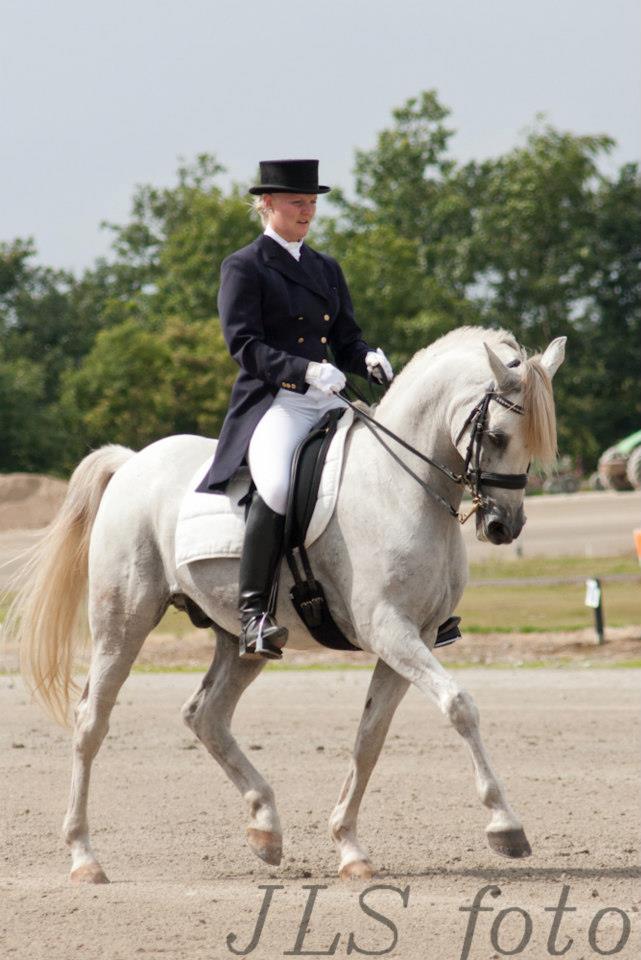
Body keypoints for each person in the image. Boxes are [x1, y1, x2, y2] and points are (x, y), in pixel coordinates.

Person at [197, 159, 393, 660]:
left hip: (328, 398)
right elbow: (244, 345)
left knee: (386, 466)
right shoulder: (245, 266)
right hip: (275, 401)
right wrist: (304, 371)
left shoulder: (325, 267)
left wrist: (365, 356)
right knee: (279, 487)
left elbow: (345, 338)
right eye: (296, 203)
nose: (307, 212)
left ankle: (410, 596)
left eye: (311, 203)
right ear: (267, 204)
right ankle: (253, 614)